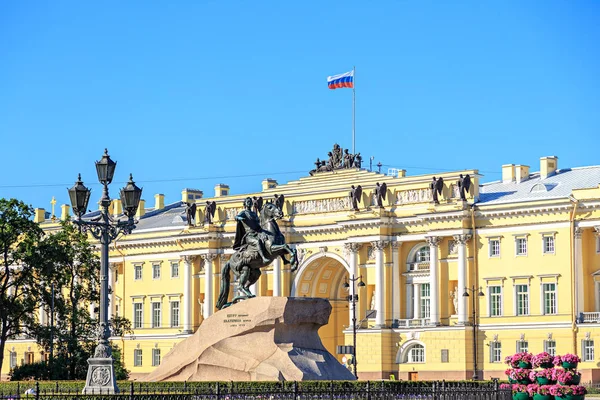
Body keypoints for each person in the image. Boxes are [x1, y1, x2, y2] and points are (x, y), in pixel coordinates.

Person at [233, 197, 271, 263]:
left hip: (257, 232)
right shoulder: (244, 213)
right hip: (249, 235)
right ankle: (263, 258)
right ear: (245, 203)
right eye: (248, 202)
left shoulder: (254, 214)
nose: (249, 203)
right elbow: (236, 217)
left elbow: (258, 224)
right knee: (257, 241)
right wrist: (239, 218)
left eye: (250, 202)